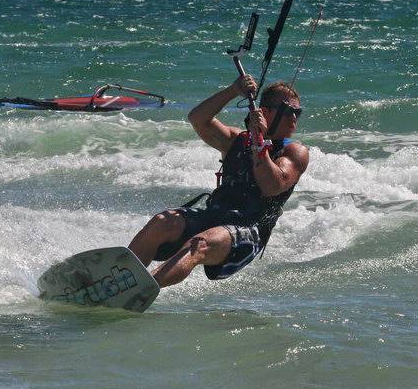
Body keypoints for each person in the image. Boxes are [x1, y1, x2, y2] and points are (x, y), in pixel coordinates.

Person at [128, 74, 309, 288]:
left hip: (250, 230)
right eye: (288, 110)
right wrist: (233, 91)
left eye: (298, 112)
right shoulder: (237, 140)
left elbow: (272, 186)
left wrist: (259, 141)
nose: (294, 117)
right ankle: (119, 275)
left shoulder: (295, 152)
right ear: (264, 112)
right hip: (215, 216)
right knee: (163, 222)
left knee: (199, 245)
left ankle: (140, 289)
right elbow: (198, 119)